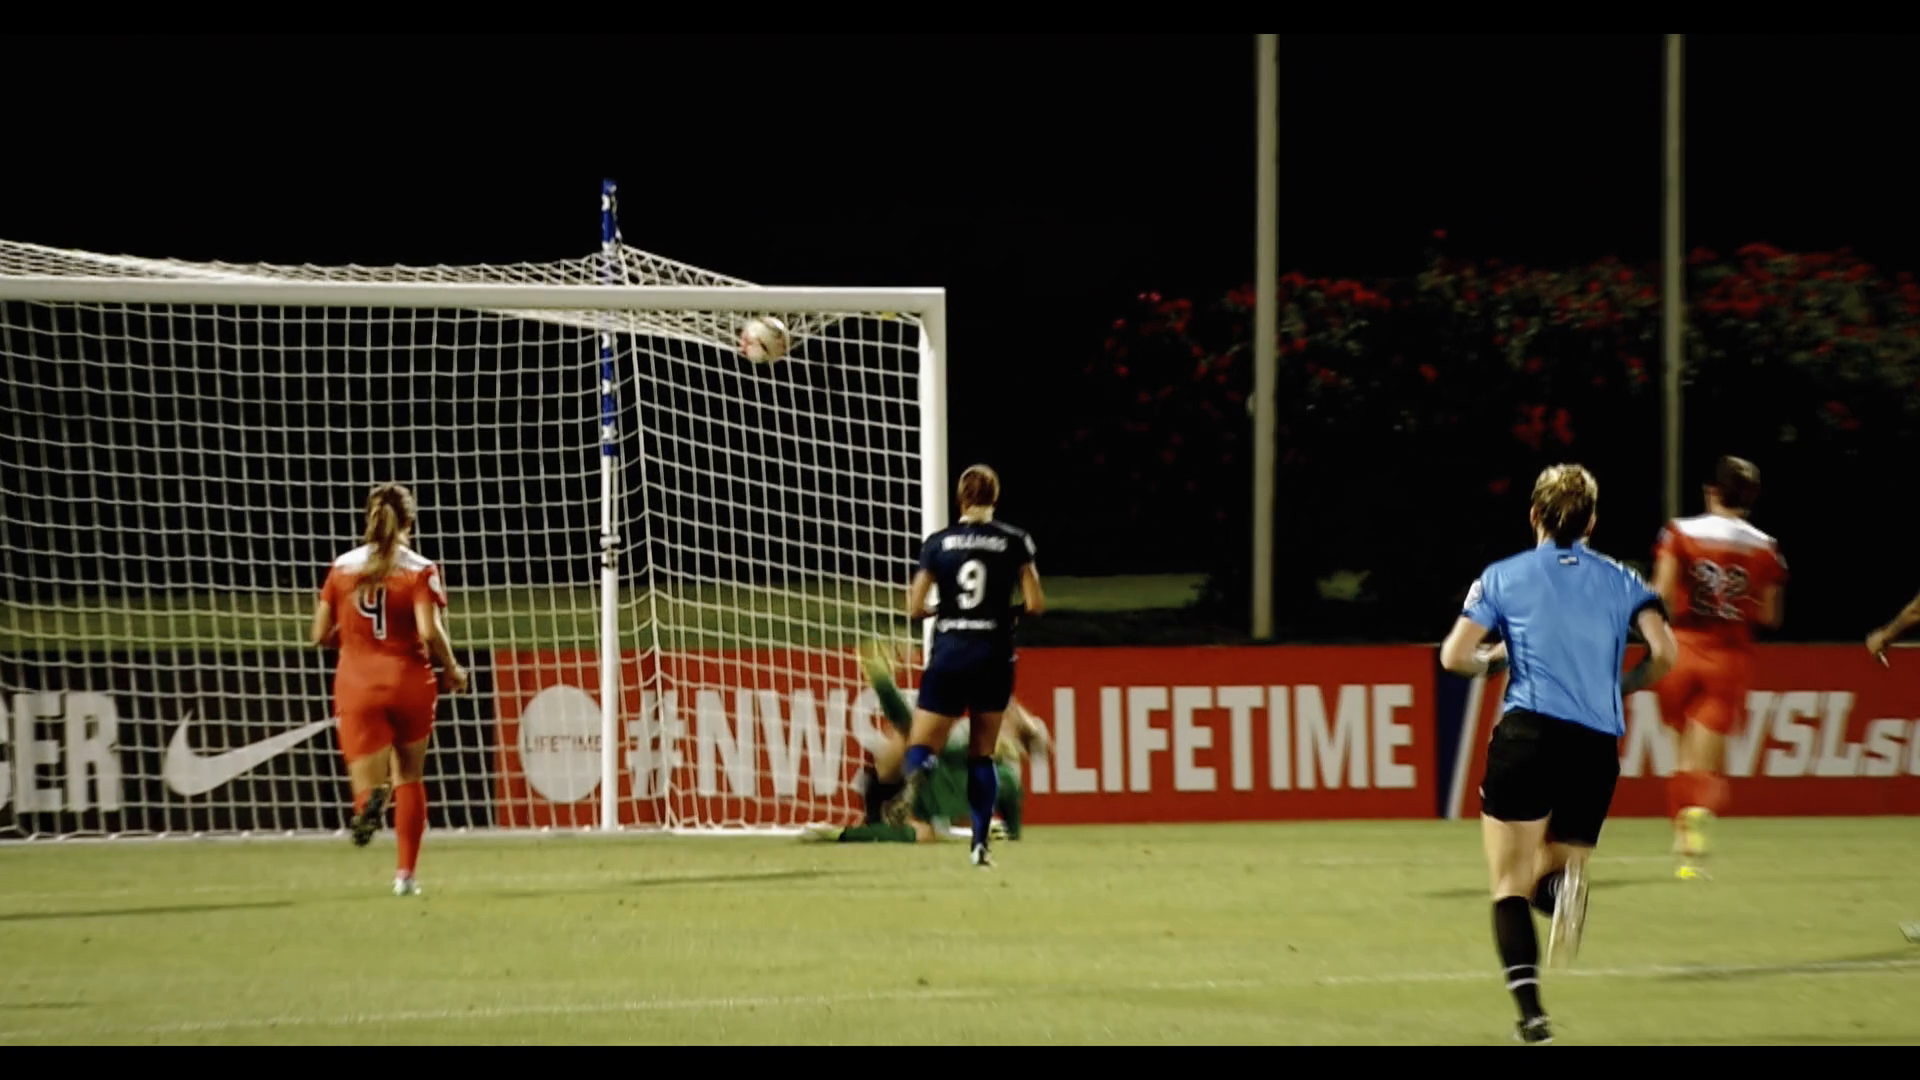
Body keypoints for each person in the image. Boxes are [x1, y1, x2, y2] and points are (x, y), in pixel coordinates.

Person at [1440, 463, 1677, 1045]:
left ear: (1534, 516)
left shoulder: (1502, 576)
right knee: (1554, 869)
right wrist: (1623, 686)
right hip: (1594, 746)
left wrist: (1493, 661)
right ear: (1591, 522)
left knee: (1508, 884)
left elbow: (1454, 657)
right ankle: (1558, 889)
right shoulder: (1624, 580)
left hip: (1528, 734)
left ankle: (1532, 1016)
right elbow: (1665, 653)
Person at [309, 483, 467, 896]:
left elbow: (319, 633)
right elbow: (428, 631)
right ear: (410, 521)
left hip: (358, 684)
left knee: (369, 785)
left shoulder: (342, 567)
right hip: (409, 682)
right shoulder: (420, 568)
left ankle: (368, 806)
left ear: (369, 517)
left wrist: (354, 640)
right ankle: (405, 877)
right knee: (409, 776)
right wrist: (452, 668)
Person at [883, 464, 1045, 868]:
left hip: (950, 652)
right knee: (982, 755)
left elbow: (914, 606)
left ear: (960, 499)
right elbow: (1035, 603)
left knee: (921, 744)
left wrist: (941, 611)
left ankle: (920, 772)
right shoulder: (1015, 541)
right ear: (995, 498)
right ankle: (979, 844)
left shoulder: (938, 543)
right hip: (993, 654)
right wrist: (1005, 614)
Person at [1648, 456, 1787, 879]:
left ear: (1712, 490)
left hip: (1679, 651)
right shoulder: (1766, 547)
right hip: (1728, 657)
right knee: (1704, 763)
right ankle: (1692, 848)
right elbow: (1770, 615)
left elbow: (1662, 592)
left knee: (1681, 755)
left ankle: (1682, 841)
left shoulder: (1678, 532)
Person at [801, 640, 1047, 844]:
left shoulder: (1006, 777)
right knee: (911, 742)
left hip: (922, 805)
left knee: (924, 830)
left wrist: (993, 831)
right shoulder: (972, 741)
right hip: (899, 789)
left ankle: (845, 833)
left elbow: (1013, 831)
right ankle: (856, 828)